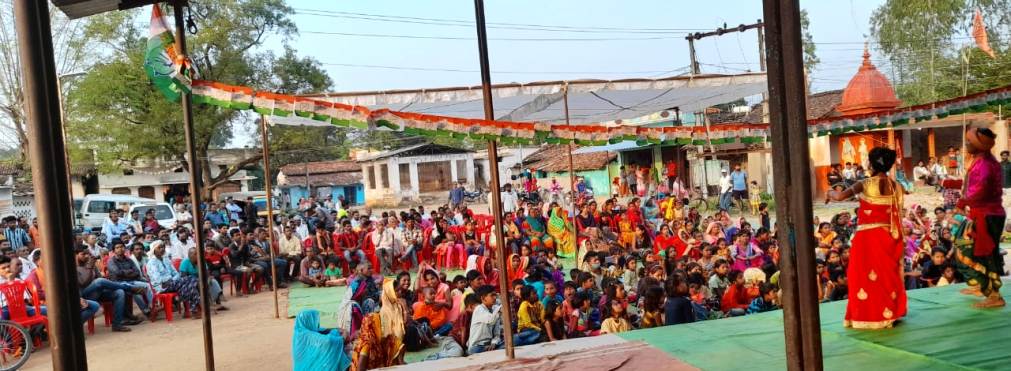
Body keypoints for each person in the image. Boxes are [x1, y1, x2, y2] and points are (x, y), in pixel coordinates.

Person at [827, 146, 908, 328]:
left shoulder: (865, 183)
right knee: (887, 275)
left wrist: (829, 192)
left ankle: (869, 317)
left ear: (871, 163)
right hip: (888, 236)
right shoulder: (898, 187)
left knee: (862, 277)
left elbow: (839, 196)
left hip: (867, 237)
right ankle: (888, 313)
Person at [955, 128, 1006, 308]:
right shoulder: (980, 160)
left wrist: (962, 202)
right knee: (970, 248)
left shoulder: (985, 163)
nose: (966, 144)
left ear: (979, 145)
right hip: (981, 212)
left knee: (984, 253)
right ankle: (982, 286)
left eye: (969, 142)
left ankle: (995, 296)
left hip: (988, 214)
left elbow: (982, 190)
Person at [77, 245, 142, 331]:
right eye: (83, 254)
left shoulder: (91, 265)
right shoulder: (74, 267)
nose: (86, 256)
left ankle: (117, 324)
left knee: (119, 292)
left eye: (87, 254)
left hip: (98, 293)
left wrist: (108, 285)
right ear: (75, 255)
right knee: (99, 281)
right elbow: (82, 283)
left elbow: (100, 278)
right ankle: (129, 288)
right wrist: (89, 268)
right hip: (84, 296)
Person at [351, 279, 406, 370]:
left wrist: (405, 309)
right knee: (366, 346)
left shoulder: (398, 307)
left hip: (389, 340)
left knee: (398, 344)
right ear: (390, 292)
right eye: (397, 291)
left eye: (400, 290)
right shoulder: (384, 310)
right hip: (383, 338)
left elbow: (403, 327)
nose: (400, 292)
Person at [105, 242, 153, 320]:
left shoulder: (129, 260)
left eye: (122, 247)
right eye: (117, 247)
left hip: (131, 281)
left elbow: (137, 272)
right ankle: (146, 310)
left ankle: (152, 306)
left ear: (125, 249)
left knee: (147, 285)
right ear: (113, 251)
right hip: (118, 283)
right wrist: (129, 272)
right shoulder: (111, 261)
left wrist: (125, 273)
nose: (120, 249)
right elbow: (117, 273)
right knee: (135, 291)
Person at [467, 285, 503, 354]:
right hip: (476, 347)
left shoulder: (495, 309)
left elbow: (497, 334)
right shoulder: (479, 309)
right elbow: (490, 320)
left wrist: (494, 343)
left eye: (495, 295)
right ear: (483, 298)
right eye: (492, 295)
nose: (495, 297)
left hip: (489, 346)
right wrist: (501, 307)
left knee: (514, 340)